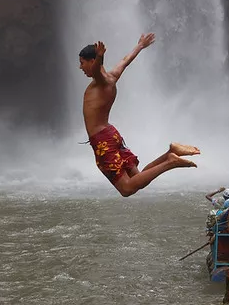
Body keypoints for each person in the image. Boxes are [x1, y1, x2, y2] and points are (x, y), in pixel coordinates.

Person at [80, 34, 199, 196]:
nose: (80, 67)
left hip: (102, 141)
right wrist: (140, 45)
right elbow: (125, 60)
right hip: (111, 134)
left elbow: (96, 70)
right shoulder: (112, 77)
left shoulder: (101, 81)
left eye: (82, 63)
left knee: (126, 189)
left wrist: (100, 56)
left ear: (92, 62)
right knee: (138, 177)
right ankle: (170, 153)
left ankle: (170, 162)